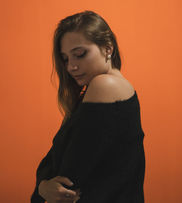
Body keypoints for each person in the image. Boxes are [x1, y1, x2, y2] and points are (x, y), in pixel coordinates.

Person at [31, 10, 145, 203]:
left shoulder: (105, 86)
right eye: (66, 58)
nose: (70, 67)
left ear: (108, 48)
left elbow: (67, 177)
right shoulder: (97, 91)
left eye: (79, 54)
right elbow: (53, 162)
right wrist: (43, 186)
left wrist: (42, 187)